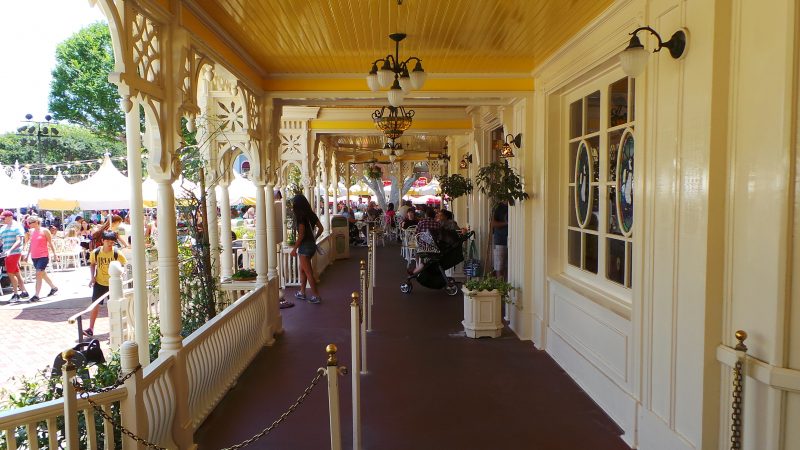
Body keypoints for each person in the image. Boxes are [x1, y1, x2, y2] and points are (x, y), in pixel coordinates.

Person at [85, 231, 128, 337]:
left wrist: (121, 274)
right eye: (107, 241)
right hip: (99, 282)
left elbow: (125, 265)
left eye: (112, 242)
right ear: (103, 241)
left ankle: (117, 328)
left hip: (113, 284)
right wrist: (92, 277)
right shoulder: (96, 252)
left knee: (115, 306)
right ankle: (90, 328)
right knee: (95, 305)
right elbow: (92, 264)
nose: (109, 243)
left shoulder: (117, 253)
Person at [290, 194, 324, 304]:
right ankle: (302, 292)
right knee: (302, 269)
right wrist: (314, 237)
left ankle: (316, 296)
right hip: (312, 246)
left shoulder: (300, 216)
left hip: (304, 247)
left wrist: (294, 248)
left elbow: (301, 234)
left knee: (308, 272)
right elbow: (321, 228)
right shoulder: (311, 214)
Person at [25, 215, 58, 302]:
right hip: (34, 256)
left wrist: (55, 254)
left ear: (36, 222)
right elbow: (31, 244)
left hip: (43, 255)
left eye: (30, 222)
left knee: (38, 273)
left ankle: (36, 295)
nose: (29, 224)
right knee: (42, 274)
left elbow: (51, 243)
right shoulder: (31, 231)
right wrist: (27, 255)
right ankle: (54, 287)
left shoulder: (45, 231)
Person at [0, 211, 28, 302]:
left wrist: (10, 250)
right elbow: (1, 241)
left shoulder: (17, 227)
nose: (2, 220)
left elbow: (19, 241)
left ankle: (16, 294)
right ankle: (24, 291)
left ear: (10, 217)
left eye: (4, 218)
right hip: (6, 253)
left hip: (14, 253)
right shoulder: (3, 228)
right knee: (16, 273)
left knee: (10, 274)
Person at [491, 201, 509, 279]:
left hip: (514, 241)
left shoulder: (514, 205)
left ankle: (507, 288)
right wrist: (506, 223)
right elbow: (493, 224)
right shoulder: (499, 208)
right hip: (500, 241)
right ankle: (500, 288)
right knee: (499, 266)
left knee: (510, 267)